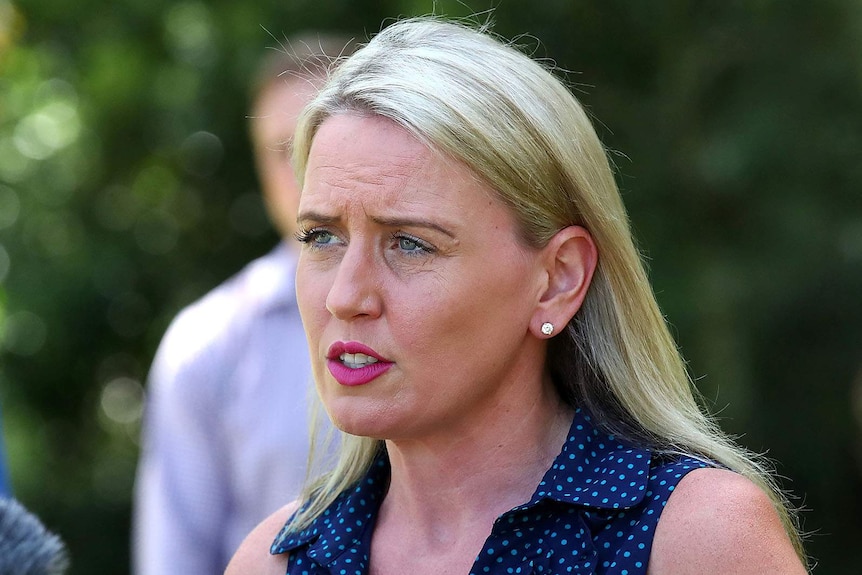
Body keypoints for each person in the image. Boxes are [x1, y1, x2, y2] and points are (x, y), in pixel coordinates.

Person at [227, 17, 808, 575]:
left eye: (409, 244)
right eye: (320, 237)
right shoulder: (275, 563)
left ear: (558, 279)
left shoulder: (693, 540)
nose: (346, 296)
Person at [132, 33, 355, 575]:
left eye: (319, 137)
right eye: (282, 148)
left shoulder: (455, 307)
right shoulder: (208, 340)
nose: (302, 167)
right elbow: (174, 558)